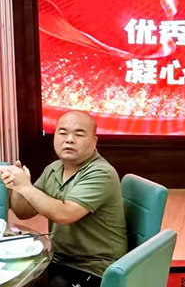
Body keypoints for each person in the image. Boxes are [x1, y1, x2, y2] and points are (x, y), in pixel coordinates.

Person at [0, 111, 127, 287]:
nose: (69, 140)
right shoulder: (54, 168)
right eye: (63, 133)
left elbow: (64, 214)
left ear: (94, 141)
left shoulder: (101, 173)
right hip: (59, 261)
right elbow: (24, 212)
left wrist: (26, 187)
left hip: (93, 268)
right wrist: (17, 187)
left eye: (79, 134)